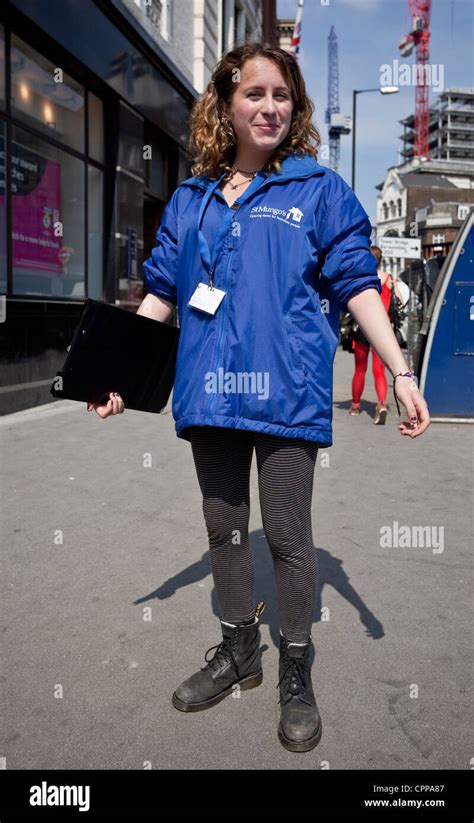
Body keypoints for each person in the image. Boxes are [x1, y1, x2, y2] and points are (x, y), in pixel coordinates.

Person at [86, 42, 430, 753]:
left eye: (283, 96)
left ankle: (295, 663)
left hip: (287, 393)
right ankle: (240, 649)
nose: (270, 107)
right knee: (222, 528)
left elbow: (357, 283)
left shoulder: (318, 190)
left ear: (294, 108)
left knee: (287, 533)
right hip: (209, 390)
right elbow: (161, 294)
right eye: (255, 94)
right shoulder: (192, 198)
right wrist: (117, 373)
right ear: (226, 103)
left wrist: (398, 369)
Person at [349, 246, 406, 424]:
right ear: (380, 260)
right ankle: (381, 404)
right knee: (379, 371)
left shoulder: (362, 279)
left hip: (362, 330)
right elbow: (402, 303)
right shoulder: (388, 280)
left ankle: (355, 406)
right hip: (382, 330)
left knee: (360, 369)